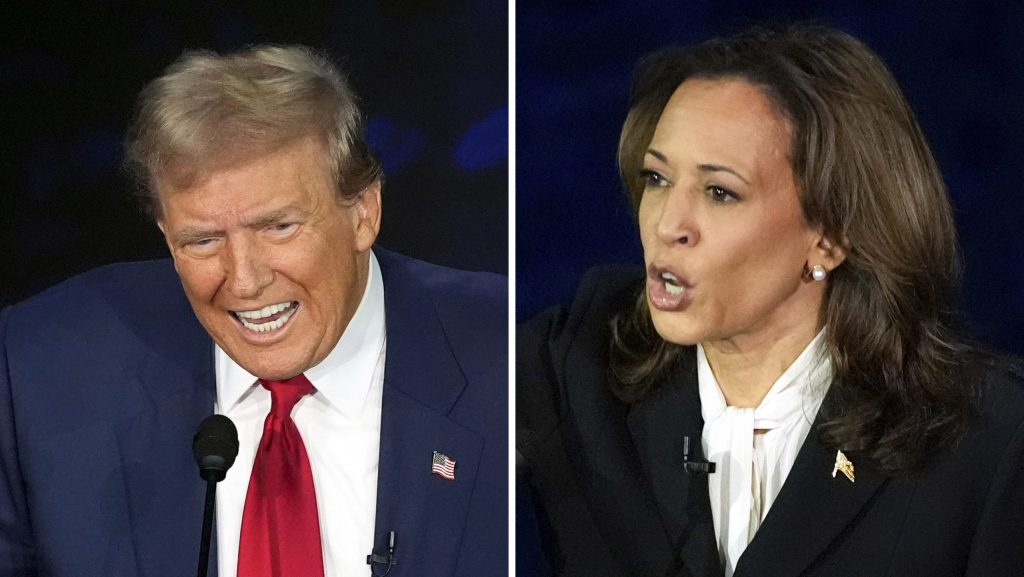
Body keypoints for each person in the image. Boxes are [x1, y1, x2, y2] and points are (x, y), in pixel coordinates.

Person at [518, 24, 1024, 577]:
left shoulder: (988, 441)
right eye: (657, 179)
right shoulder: (575, 365)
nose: (667, 224)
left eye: (719, 192)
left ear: (830, 236)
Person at [0, 45, 506, 577]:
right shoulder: (40, 370)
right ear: (166, 236)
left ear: (363, 212)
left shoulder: (506, 361)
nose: (243, 280)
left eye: (278, 227)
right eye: (202, 241)